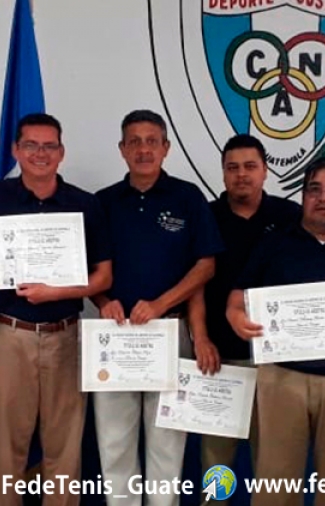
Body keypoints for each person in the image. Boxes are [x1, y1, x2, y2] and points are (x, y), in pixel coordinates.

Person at [0, 113, 112, 506]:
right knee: (6, 447)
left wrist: (56, 291)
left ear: (61, 152)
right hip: (9, 335)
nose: (40, 154)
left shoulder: (84, 204)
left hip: (66, 335)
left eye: (49, 146)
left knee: (65, 448)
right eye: (31, 145)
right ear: (16, 149)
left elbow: (103, 278)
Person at [227, 156, 325, 506]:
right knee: (275, 484)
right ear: (303, 197)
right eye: (314, 189)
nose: (323, 197)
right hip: (281, 378)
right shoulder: (274, 243)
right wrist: (235, 316)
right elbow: (237, 297)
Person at [92, 109, 223, 506]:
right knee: (114, 444)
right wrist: (103, 301)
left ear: (166, 148)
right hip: (115, 337)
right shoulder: (103, 202)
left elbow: (205, 266)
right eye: (134, 141)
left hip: (170, 332)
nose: (143, 149)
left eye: (152, 141)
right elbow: (88, 270)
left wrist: (162, 305)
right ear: (121, 149)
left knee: (167, 444)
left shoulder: (188, 197)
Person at [192, 134, 301, 477]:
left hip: (276, 363)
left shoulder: (290, 216)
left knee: (271, 463)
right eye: (233, 167)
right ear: (223, 173)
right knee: (216, 464)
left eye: (250, 166)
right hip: (219, 359)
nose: (242, 174)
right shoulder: (207, 216)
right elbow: (195, 284)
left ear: (265, 171)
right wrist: (201, 339)